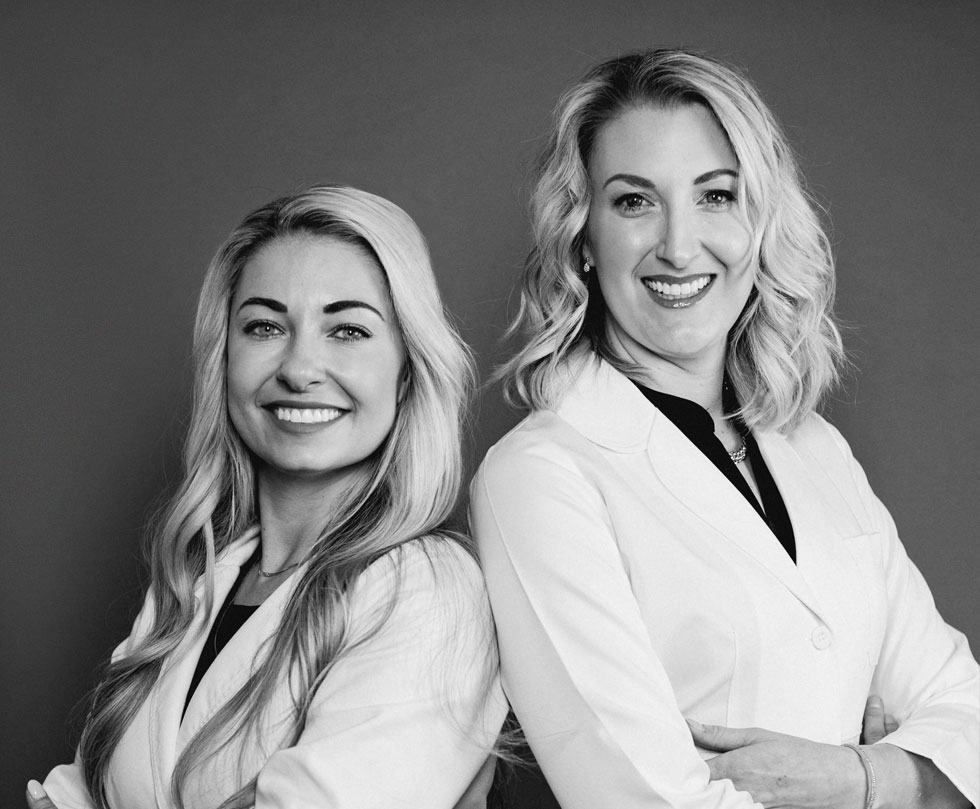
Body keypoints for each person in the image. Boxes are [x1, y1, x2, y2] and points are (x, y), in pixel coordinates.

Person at [470, 49, 978, 809]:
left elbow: (963, 706)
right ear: (583, 238)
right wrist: (911, 779)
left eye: (717, 196)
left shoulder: (815, 450)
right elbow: (641, 798)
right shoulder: (540, 476)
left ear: (761, 222)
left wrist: (862, 777)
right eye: (634, 201)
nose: (679, 247)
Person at [29, 185, 507, 809]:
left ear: (407, 370)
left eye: (348, 330)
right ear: (225, 359)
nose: (300, 367)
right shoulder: (192, 583)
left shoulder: (429, 590)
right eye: (264, 326)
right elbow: (71, 794)